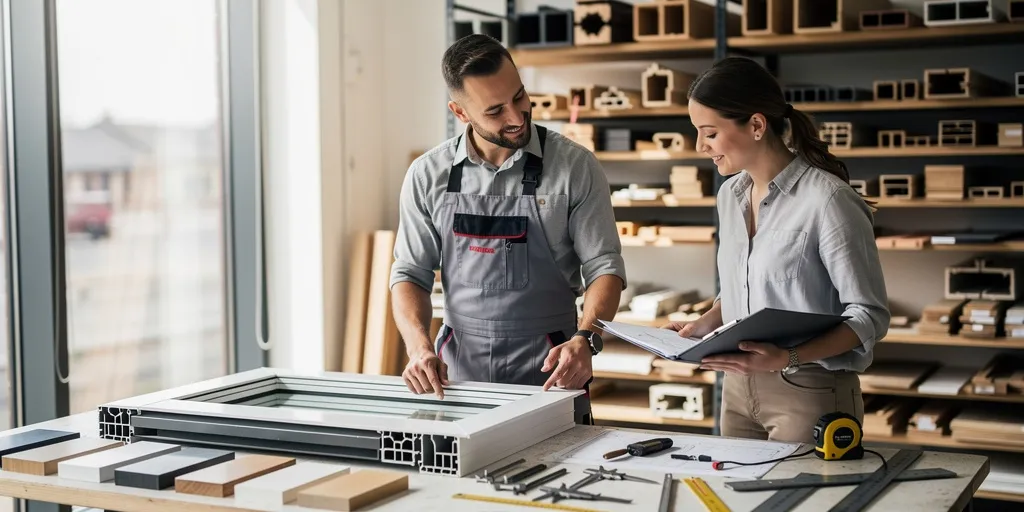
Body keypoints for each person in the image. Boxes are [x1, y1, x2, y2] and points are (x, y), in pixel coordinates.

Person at [388, 34, 626, 424]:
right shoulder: (427, 175)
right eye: (495, 110)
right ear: (460, 112)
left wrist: (586, 339)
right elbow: (410, 272)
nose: (516, 118)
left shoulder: (575, 167)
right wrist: (418, 346)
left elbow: (605, 268)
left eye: (519, 97)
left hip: (553, 367)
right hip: (458, 372)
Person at [666, 57, 890, 444]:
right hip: (736, 390)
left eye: (709, 133)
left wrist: (787, 357)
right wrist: (703, 325)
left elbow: (869, 316)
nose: (700, 146)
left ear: (755, 125)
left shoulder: (829, 200)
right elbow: (745, 283)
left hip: (809, 391)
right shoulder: (729, 195)